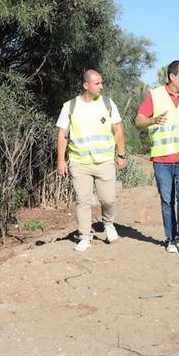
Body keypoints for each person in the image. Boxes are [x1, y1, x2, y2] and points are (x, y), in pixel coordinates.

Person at [135, 60, 179, 255]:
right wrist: (153, 120)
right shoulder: (155, 95)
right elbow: (138, 121)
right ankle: (171, 239)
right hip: (162, 158)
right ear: (172, 76)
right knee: (167, 200)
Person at [56, 70, 127, 252]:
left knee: (108, 199)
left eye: (101, 83)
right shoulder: (70, 107)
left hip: (104, 161)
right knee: (83, 201)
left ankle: (108, 224)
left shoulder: (108, 103)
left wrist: (121, 155)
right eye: (97, 83)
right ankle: (85, 237)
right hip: (79, 162)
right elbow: (62, 135)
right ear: (86, 85)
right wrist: (61, 161)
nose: (101, 86)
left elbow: (118, 130)